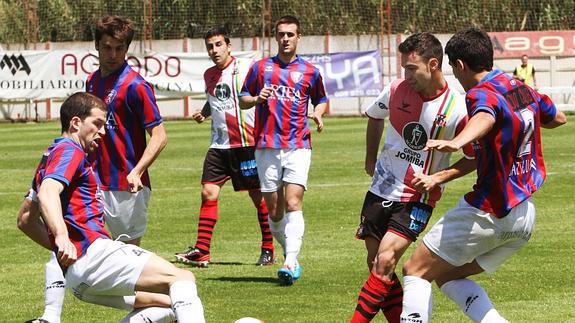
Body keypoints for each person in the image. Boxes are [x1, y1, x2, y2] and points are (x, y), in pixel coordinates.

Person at [400, 27, 567, 323]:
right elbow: (557, 118)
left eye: (453, 67)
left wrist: (458, 141)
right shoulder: (518, 86)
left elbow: (485, 116)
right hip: (524, 215)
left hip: (488, 211)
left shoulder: (480, 93)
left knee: (415, 270)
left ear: (460, 65)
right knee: (446, 276)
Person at [24, 15, 168, 323]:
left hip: (127, 188)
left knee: (129, 271)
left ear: (127, 49)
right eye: (107, 47)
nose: (113, 54)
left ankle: (145, 316)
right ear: (96, 47)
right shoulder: (93, 83)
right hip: (90, 184)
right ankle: (50, 317)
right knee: (66, 243)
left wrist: (138, 170)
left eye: (119, 48)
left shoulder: (136, 86)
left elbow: (160, 135)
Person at [23, 92, 205, 322]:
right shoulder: (70, 150)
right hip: (94, 256)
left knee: (170, 302)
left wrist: (66, 250)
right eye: (97, 124)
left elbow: (25, 220)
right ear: (76, 122)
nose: (102, 131)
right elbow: (49, 191)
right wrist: (61, 237)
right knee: (182, 279)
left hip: (77, 279)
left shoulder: (49, 156)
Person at [350, 32, 475, 323]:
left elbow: (474, 158)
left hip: (417, 197)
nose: (405, 75)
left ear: (433, 64)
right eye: (403, 67)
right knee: (376, 265)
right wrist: (370, 158)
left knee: (384, 262)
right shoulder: (395, 89)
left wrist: (438, 178)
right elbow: (374, 115)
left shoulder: (458, 108)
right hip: (381, 186)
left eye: (411, 68)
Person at [238, 15, 328, 285]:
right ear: (275, 37)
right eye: (281, 34)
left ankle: (289, 260)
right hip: (266, 146)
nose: (286, 39)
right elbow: (243, 99)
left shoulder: (310, 71)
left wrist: (319, 114)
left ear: (299, 37)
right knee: (275, 212)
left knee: (293, 203)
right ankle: (293, 253)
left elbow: (321, 99)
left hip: (298, 145)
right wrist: (255, 99)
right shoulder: (260, 68)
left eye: (290, 34)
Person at [174, 27, 275, 267]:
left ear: (228, 45)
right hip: (219, 146)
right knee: (208, 193)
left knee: (258, 197)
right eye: (210, 46)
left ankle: (268, 249)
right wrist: (204, 112)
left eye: (218, 44)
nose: (214, 50)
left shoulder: (247, 67)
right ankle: (202, 250)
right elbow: (215, 100)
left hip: (246, 144)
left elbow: (258, 93)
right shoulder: (209, 74)